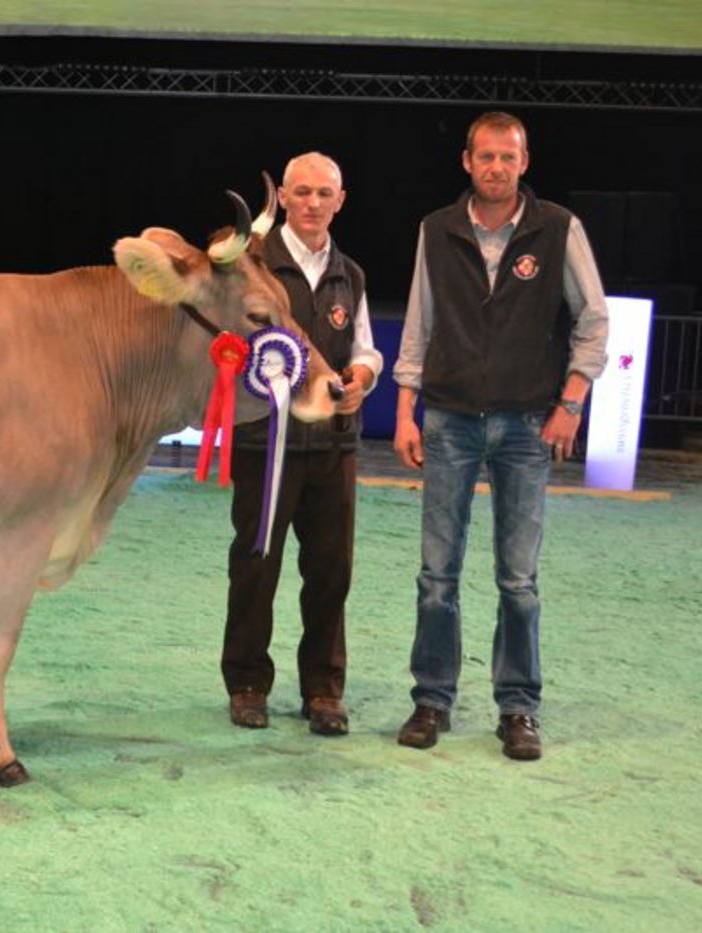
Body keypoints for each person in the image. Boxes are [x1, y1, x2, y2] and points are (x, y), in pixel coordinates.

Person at [391, 111, 609, 761]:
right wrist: (404, 411)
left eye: (507, 158)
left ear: (524, 161)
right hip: (449, 419)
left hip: (525, 426)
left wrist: (571, 402)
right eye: (485, 156)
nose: (495, 167)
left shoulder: (559, 228)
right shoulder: (435, 229)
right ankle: (432, 699)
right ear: (466, 161)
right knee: (438, 574)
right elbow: (418, 326)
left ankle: (518, 708)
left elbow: (593, 319)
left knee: (519, 579)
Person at [222, 152, 383, 736]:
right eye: (302, 192)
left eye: (324, 194)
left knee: (331, 572)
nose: (313, 203)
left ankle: (323, 690)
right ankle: (246, 683)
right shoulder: (253, 266)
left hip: (334, 447)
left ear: (340, 201)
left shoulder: (351, 274)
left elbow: (364, 348)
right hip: (264, 443)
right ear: (283, 199)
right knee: (255, 568)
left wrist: (362, 379)